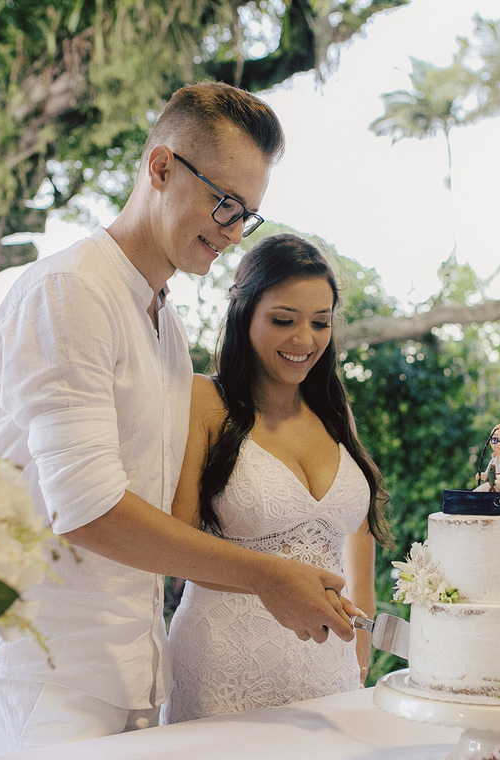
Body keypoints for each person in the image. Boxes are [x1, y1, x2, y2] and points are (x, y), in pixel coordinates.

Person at [0, 83, 356, 757]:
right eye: (224, 202)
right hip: (49, 666)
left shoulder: (164, 324)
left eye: (247, 216)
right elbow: (85, 509)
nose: (231, 231)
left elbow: (163, 515)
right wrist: (263, 574)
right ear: (161, 167)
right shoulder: (71, 291)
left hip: (134, 666)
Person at [162, 233, 392, 723]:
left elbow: (357, 528)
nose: (304, 340)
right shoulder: (204, 401)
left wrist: (364, 635)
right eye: (283, 321)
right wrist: (268, 580)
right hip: (225, 666)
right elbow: (176, 549)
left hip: (329, 668)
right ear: (245, 314)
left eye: (320, 323)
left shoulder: (334, 411)